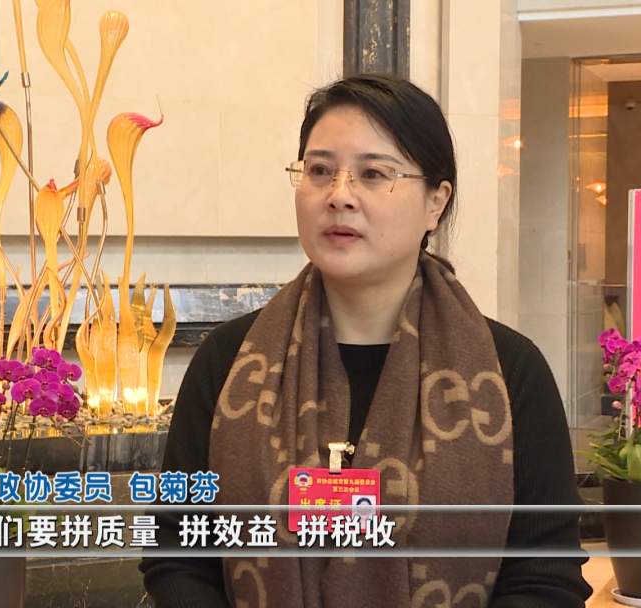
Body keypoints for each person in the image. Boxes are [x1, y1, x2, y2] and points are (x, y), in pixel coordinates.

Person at [139, 73, 593, 608]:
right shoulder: (229, 360)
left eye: (374, 174)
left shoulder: (510, 371)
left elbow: (545, 578)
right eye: (319, 170)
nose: (339, 196)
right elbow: (176, 551)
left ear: (436, 202)